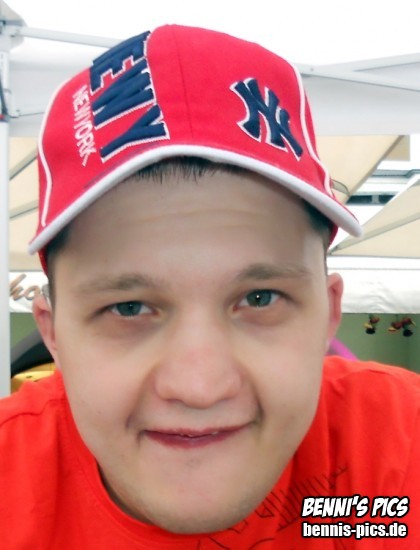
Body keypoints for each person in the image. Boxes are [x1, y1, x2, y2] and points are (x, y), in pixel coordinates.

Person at [1, 24, 419, 549]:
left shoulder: (399, 445)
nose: (200, 388)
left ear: (329, 314)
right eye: (128, 307)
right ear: (53, 332)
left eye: (260, 298)